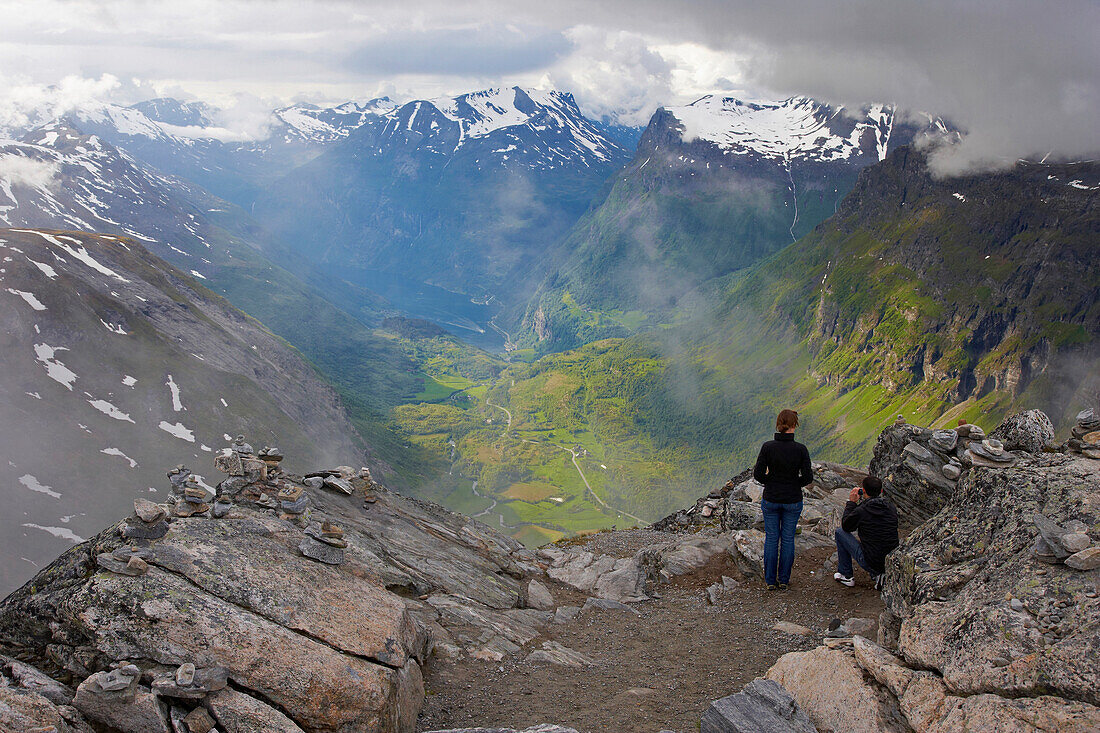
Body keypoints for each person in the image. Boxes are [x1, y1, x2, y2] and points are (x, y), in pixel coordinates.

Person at [753, 409, 813, 591]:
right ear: (794, 425)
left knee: (772, 538)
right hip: (792, 499)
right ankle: (784, 580)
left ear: (779, 424)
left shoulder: (768, 447)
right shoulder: (800, 449)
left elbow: (758, 474)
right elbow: (808, 477)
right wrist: (795, 484)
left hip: (771, 498)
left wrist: (771, 482)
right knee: (787, 539)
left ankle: (770, 580)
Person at [834, 476, 899, 587]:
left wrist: (851, 503)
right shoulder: (890, 507)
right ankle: (882, 573)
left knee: (840, 532)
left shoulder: (862, 510)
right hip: (891, 559)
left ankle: (846, 575)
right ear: (881, 491)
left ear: (863, 491)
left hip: (871, 561)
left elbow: (846, 526)